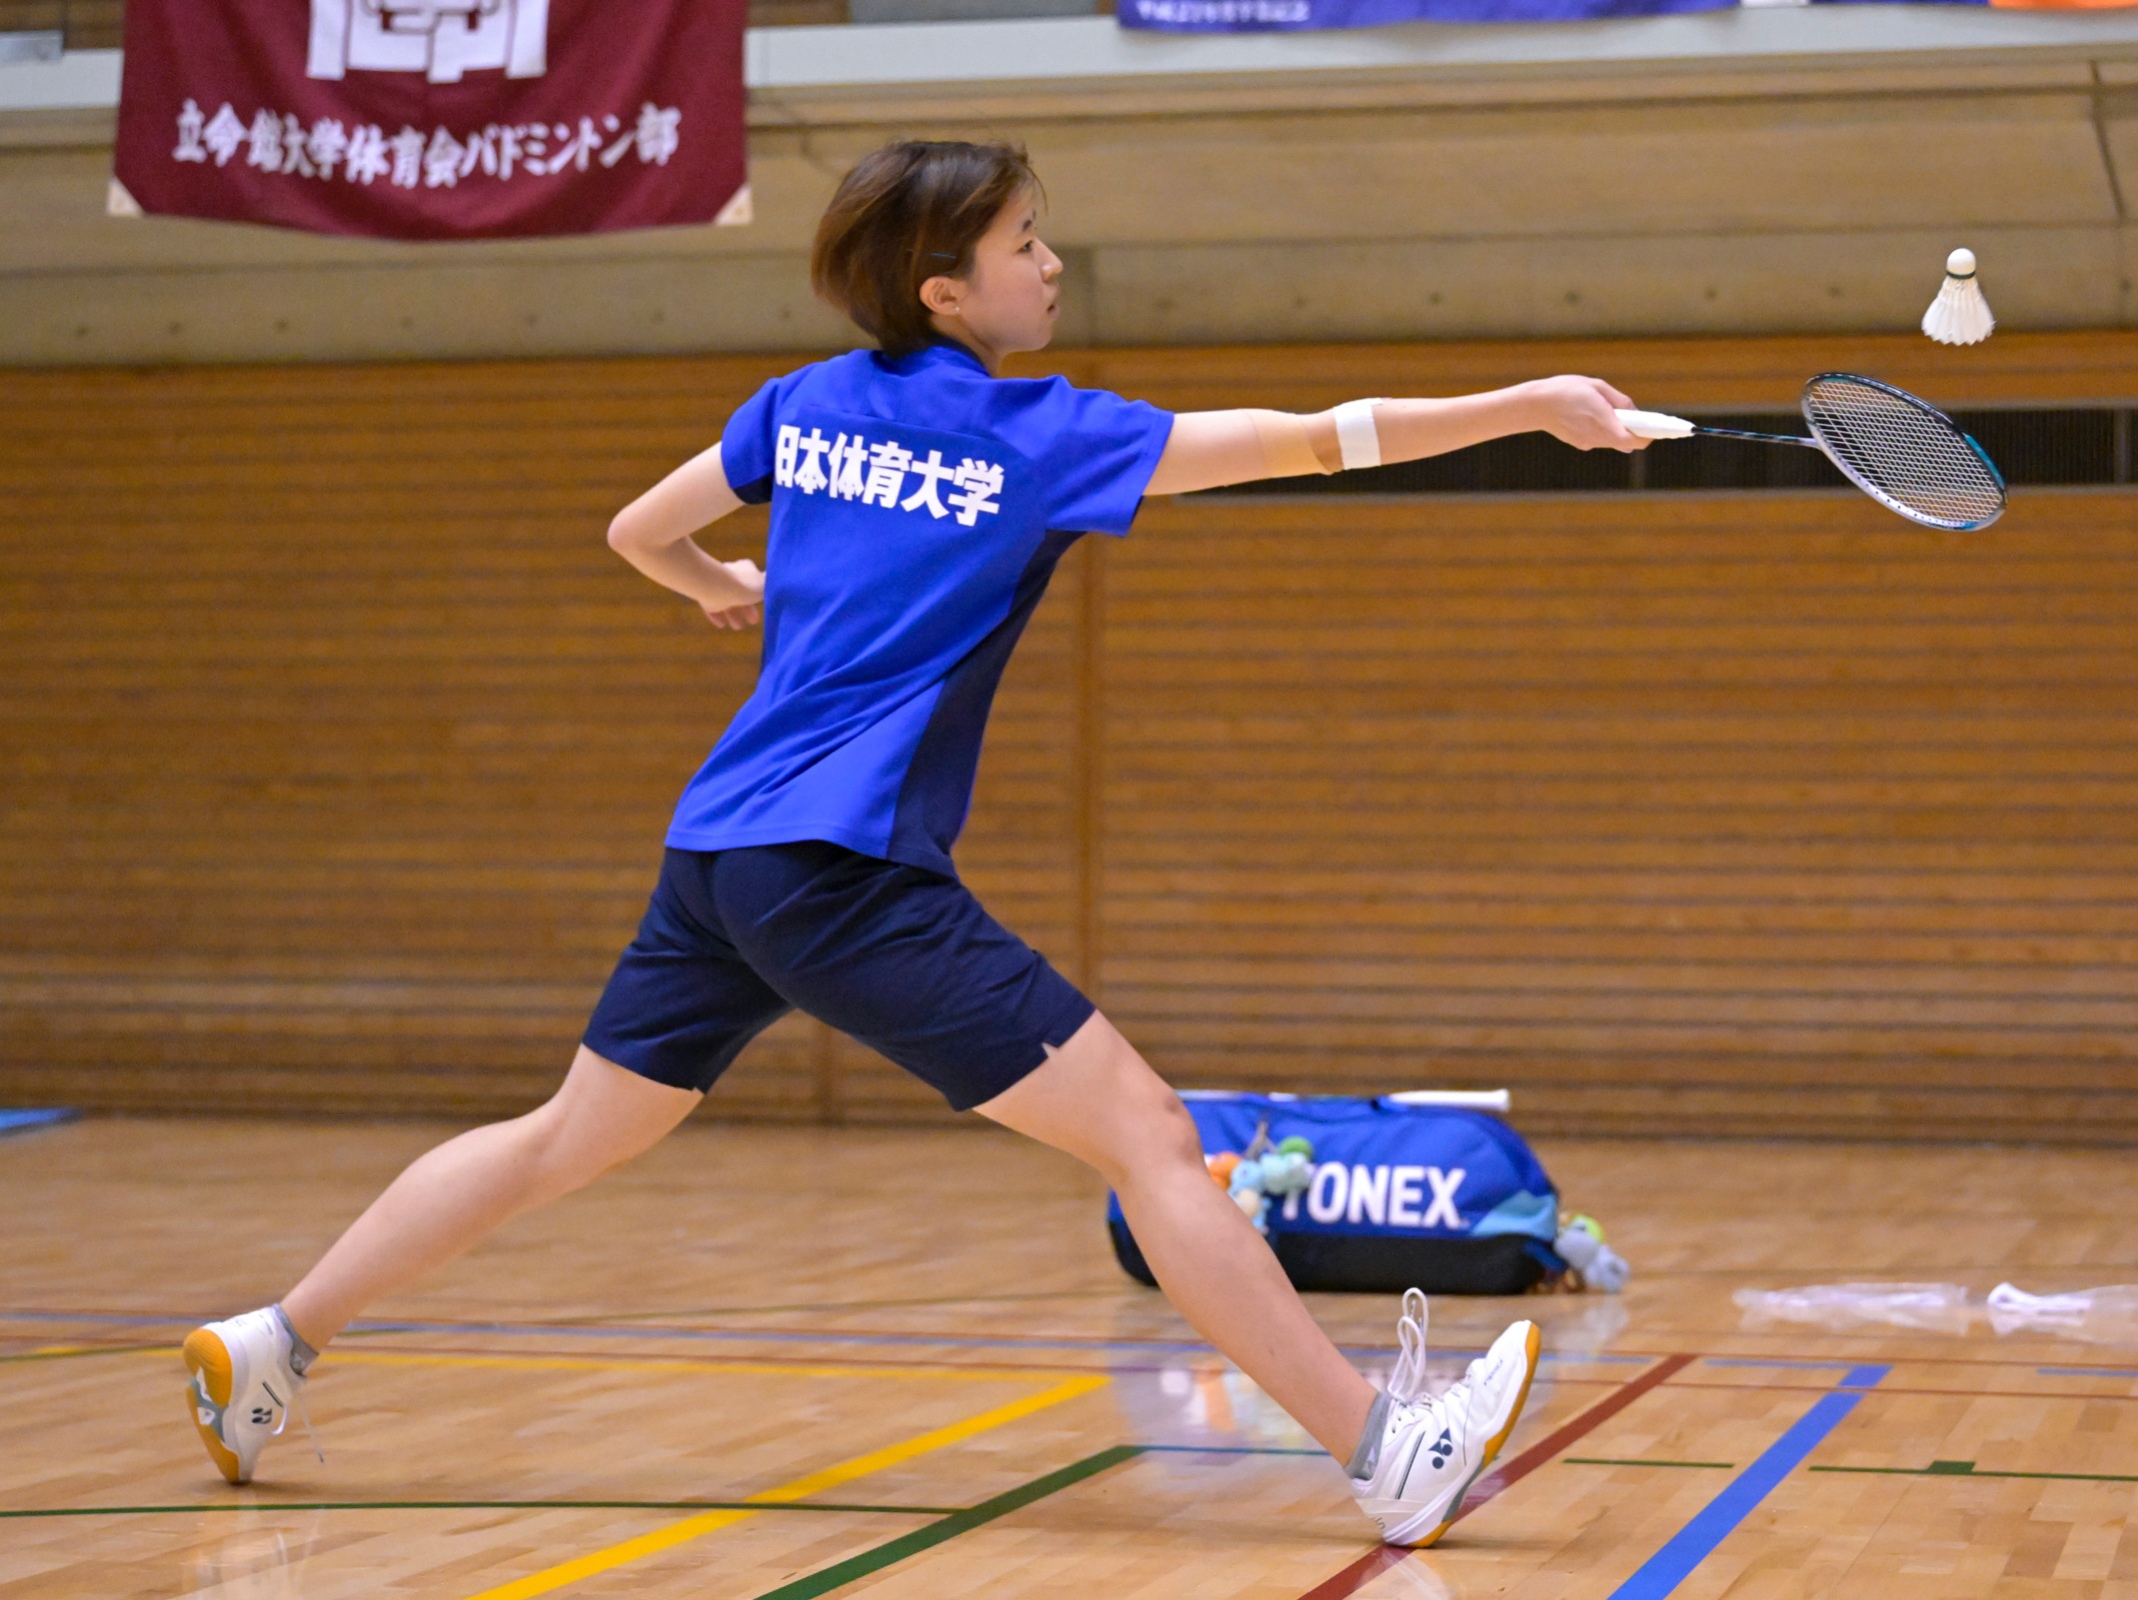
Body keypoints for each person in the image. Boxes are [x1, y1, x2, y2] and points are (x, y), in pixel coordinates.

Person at [179, 139, 1650, 1549]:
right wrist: (1524, 402)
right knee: (1149, 1136)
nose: (1051, 264)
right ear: (945, 290)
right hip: (846, 873)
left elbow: (636, 528)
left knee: (563, 1136)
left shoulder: (802, 406)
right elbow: (1314, 442)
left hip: (721, 857)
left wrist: (715, 581)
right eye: (1026, 243)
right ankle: (1389, 1454)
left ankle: (274, 1342)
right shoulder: (1042, 436)